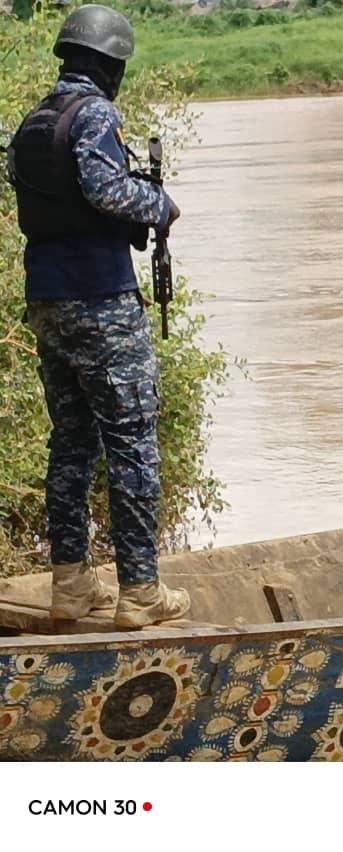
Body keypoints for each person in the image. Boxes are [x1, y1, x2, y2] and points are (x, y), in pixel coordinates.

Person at [5, 4, 189, 628]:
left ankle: (72, 586)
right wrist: (158, 202)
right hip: (102, 304)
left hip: (47, 303)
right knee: (133, 442)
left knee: (72, 445)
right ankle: (140, 592)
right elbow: (106, 190)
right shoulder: (96, 116)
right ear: (112, 66)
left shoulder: (33, 122)